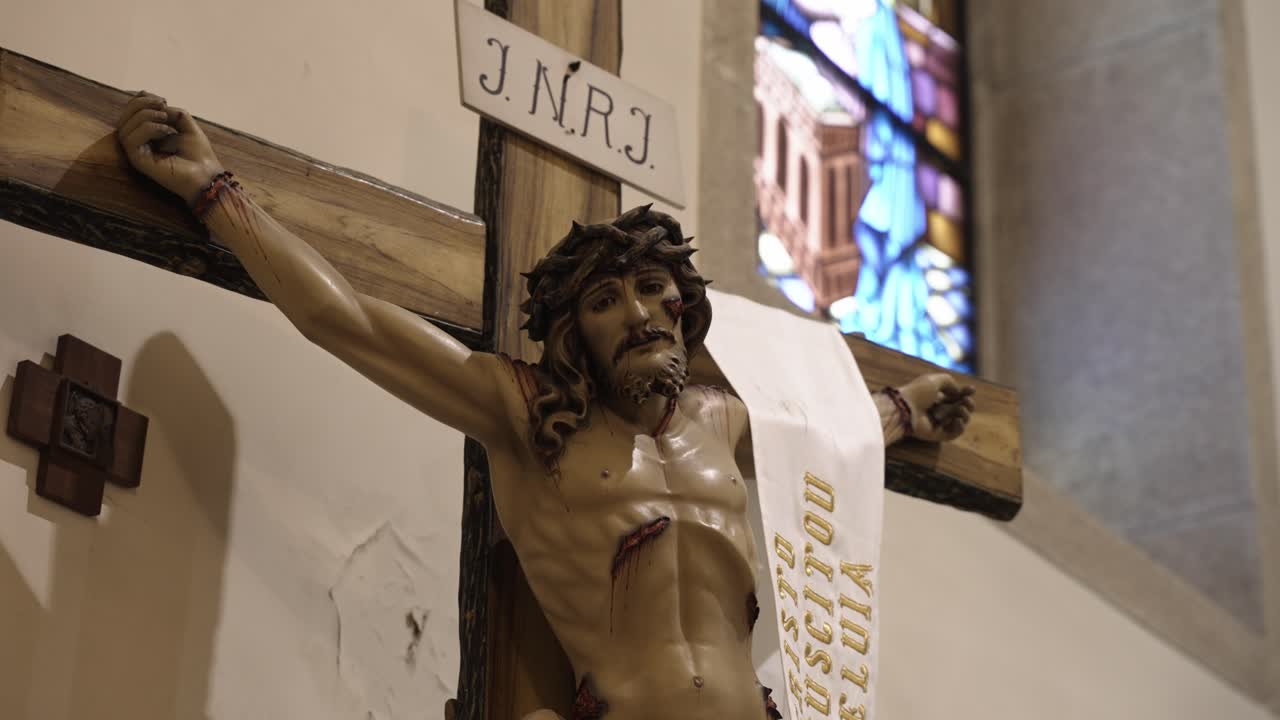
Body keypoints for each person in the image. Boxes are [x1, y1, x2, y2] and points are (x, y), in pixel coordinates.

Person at [116, 92, 974, 720]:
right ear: (574, 335)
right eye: (605, 301)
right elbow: (344, 321)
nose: (637, 312)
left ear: (684, 305)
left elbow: (827, 441)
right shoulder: (526, 414)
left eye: (650, 288)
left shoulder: (723, 422)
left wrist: (904, 409)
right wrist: (215, 192)